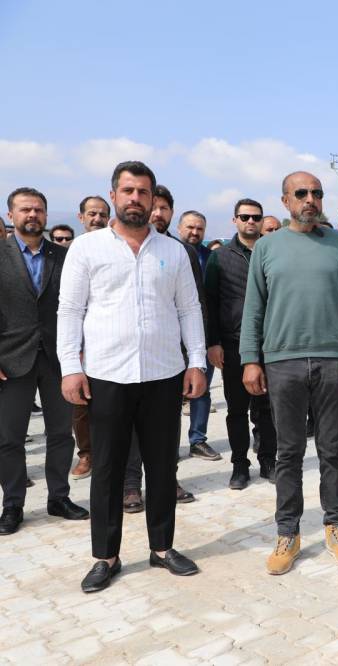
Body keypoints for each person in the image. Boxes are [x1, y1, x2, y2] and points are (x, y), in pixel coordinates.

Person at [58, 161, 207, 592]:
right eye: (128, 191)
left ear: (152, 197)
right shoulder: (86, 249)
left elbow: (189, 309)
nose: (136, 199)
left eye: (143, 192)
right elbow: (70, 310)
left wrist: (196, 361)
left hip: (163, 372)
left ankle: (162, 548)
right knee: (107, 468)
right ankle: (106, 556)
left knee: (161, 465)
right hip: (107, 374)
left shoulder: (173, 252)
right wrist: (71, 367)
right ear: (114, 195)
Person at [241, 171, 338, 575]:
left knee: (333, 450)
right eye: (301, 193)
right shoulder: (267, 246)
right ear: (285, 201)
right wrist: (250, 359)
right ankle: (288, 533)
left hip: (333, 360)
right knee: (289, 452)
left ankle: (336, 526)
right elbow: (254, 307)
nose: (310, 199)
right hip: (283, 362)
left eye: (316, 193)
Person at [1, 187, 90, 536]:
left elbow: (82, 305)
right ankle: (13, 504)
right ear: (11, 215)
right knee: (9, 438)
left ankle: (59, 497)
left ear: (46, 215)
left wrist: (80, 351)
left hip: (58, 359)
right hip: (11, 359)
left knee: (61, 433)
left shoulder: (64, 256)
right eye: (25, 209)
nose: (32, 215)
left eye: (38, 209)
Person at [122, 186, 204, 513]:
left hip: (171, 356)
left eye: (164, 208)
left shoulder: (180, 252)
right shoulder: (119, 248)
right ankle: (131, 485)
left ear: (171, 213)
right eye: (153, 207)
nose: (157, 213)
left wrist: (195, 357)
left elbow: (193, 306)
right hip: (126, 357)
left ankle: (168, 479)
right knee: (130, 425)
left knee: (167, 425)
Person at [204, 198, 278, 489]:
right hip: (233, 343)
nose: (250, 221)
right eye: (245, 216)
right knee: (237, 410)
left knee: (268, 408)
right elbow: (209, 302)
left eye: (256, 217)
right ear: (234, 220)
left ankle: (269, 460)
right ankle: (239, 465)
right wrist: (213, 342)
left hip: (270, 342)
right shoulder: (220, 257)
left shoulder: (273, 252)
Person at [70, 198, 113, 482]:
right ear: (81, 217)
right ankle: (87, 453)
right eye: (92, 214)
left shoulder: (114, 250)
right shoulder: (73, 251)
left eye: (102, 214)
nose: (97, 218)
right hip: (78, 345)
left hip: (108, 345)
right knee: (81, 406)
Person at [177, 210, 220, 460]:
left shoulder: (212, 259)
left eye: (199, 228)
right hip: (172, 338)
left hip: (203, 335)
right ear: (179, 228)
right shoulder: (170, 252)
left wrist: (214, 340)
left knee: (201, 390)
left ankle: (198, 440)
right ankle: (168, 444)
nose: (194, 232)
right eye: (190, 227)